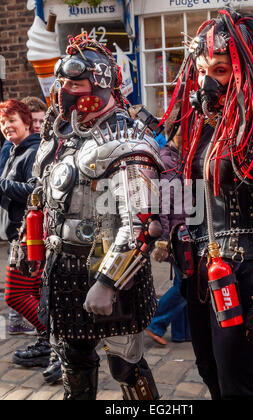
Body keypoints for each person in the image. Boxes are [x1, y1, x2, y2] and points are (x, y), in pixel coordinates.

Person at [160, 7, 253, 400]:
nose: (207, 81)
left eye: (220, 70)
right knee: (211, 375)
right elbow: (189, 197)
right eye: (203, 69)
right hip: (202, 275)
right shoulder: (200, 126)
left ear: (244, 69)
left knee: (245, 387)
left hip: (248, 276)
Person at [16, 32, 163, 400]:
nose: (66, 90)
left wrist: (109, 281)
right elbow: (42, 196)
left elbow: (141, 224)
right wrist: (27, 244)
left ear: (100, 86)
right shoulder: (60, 134)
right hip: (63, 269)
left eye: (76, 83)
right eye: (63, 82)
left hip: (112, 271)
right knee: (73, 363)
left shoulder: (126, 139)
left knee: (126, 365)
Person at [0, 100, 49, 357]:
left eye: (12, 121)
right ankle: (47, 344)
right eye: (3, 122)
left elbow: (35, 192)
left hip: (28, 237)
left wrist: (1, 186)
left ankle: (54, 339)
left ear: (27, 123)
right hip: (19, 236)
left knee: (15, 295)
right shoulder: (14, 151)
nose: (7, 126)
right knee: (34, 294)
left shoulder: (32, 153)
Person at [146, 106, 190, 345]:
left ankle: (183, 332)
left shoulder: (181, 158)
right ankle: (156, 321)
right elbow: (162, 203)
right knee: (186, 283)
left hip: (185, 229)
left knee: (182, 279)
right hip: (175, 232)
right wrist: (162, 239)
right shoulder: (167, 160)